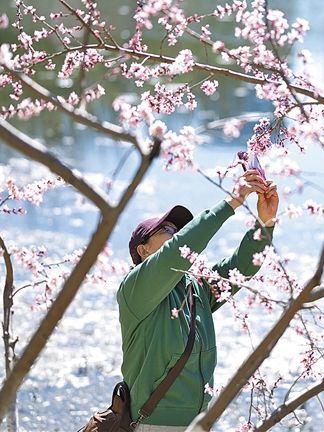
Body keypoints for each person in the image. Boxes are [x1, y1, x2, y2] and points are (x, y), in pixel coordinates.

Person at [117, 169, 279, 431]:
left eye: (178, 230)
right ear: (143, 250)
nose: (176, 234)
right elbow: (176, 252)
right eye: (167, 229)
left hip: (199, 421)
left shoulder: (194, 287)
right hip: (154, 423)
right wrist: (232, 202)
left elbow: (241, 267)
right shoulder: (135, 288)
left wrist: (265, 223)